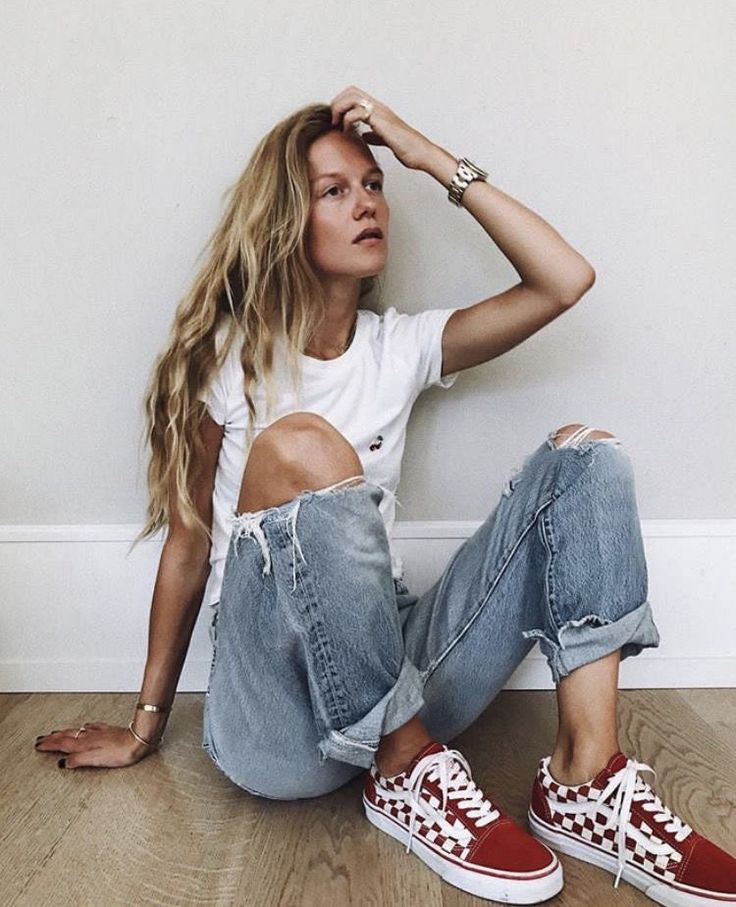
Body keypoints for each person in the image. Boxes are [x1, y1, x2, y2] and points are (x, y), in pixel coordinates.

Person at [35, 87, 736, 904]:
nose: (367, 203)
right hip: (273, 717)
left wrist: (424, 151)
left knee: (586, 459)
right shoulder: (228, 360)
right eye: (335, 190)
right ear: (286, 221)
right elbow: (190, 544)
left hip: (394, 661)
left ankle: (582, 780)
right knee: (304, 445)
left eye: (373, 184)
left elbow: (564, 279)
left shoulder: (396, 347)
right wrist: (146, 722)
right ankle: (404, 764)